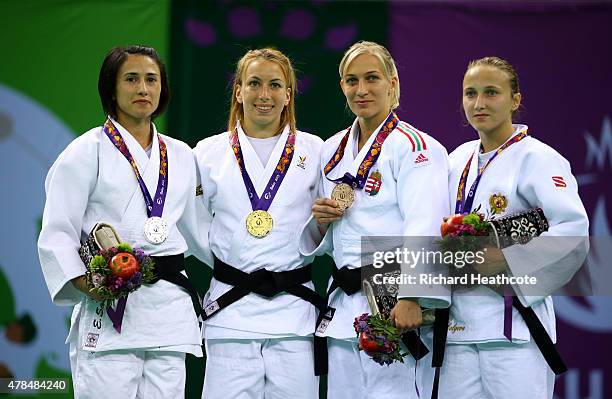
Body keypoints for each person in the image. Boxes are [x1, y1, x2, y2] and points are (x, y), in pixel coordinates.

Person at [37, 45, 211, 398]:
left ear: (162, 89)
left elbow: (201, 231)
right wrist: (88, 284)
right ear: (111, 89)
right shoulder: (86, 151)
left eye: (151, 79)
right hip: (112, 308)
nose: (143, 89)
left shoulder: (181, 154)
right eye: (131, 79)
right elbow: (57, 231)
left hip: (168, 311)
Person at [300, 40, 450, 399]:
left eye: (372, 78)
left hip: (394, 304)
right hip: (343, 306)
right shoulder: (331, 148)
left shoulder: (417, 147)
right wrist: (320, 221)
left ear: (392, 84)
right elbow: (327, 237)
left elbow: (424, 224)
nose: (361, 89)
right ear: (342, 87)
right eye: (352, 80)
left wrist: (412, 296)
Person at [440, 56, 589, 399]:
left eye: (491, 92)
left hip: (514, 330)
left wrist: (509, 260)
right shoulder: (455, 159)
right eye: (470, 93)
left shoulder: (538, 158)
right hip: (458, 332)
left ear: (515, 100)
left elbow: (573, 231)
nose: (478, 103)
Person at [193, 48, 323, 399]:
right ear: (238, 91)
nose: (264, 95)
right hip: (230, 313)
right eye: (254, 83)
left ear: (288, 94)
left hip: (293, 314)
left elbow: (324, 226)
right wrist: (232, 262)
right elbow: (194, 226)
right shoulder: (206, 153)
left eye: (275, 85)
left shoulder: (316, 151)